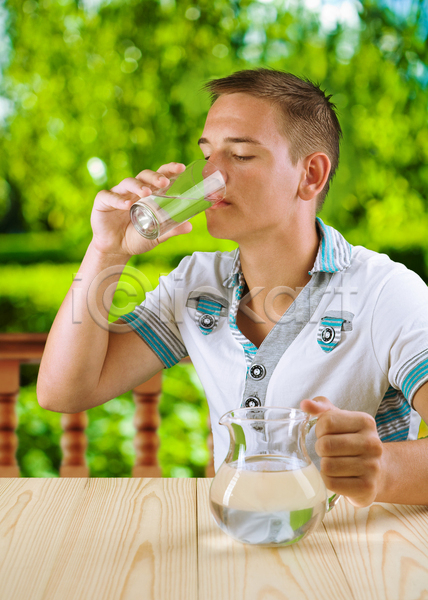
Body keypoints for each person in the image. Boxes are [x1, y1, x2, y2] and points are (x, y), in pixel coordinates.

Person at [37, 68, 428, 507]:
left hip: (359, 544)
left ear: (311, 175)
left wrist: (384, 469)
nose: (211, 176)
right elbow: (63, 392)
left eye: (240, 155)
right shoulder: (196, 285)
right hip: (238, 535)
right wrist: (107, 251)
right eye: (207, 154)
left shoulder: (385, 292)